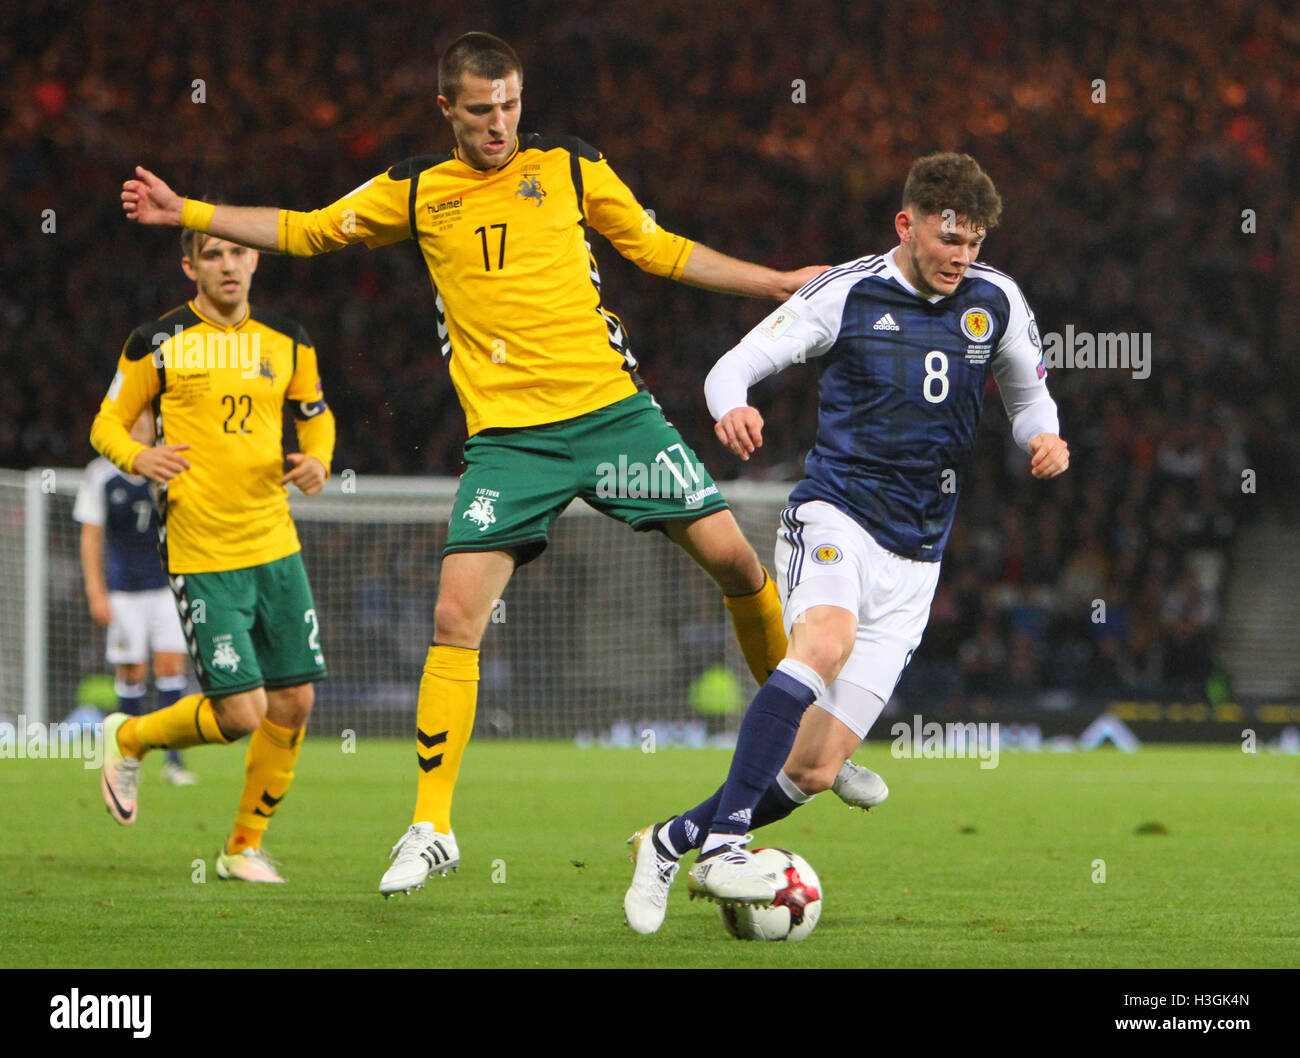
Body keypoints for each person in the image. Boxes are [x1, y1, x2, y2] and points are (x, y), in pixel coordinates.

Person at [121, 30, 852, 898]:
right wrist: (191, 213)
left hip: (614, 417)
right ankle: (431, 828)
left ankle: (796, 735)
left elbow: (658, 248)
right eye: (480, 109)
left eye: (509, 104)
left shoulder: (571, 167)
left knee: (736, 561)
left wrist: (772, 283)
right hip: (511, 443)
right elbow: (309, 231)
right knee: (455, 617)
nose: (499, 123)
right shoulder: (419, 190)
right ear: (447, 109)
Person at [624, 152, 1070, 932]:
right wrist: (732, 407)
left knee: (814, 769)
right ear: (908, 224)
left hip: (919, 554)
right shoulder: (848, 291)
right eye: (948, 239)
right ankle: (726, 845)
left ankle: (671, 840)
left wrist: (1046, 439)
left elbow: (1031, 398)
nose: (961, 257)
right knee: (824, 641)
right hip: (837, 516)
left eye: (973, 242)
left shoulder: (996, 300)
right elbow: (734, 365)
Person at [90, 224, 335, 884]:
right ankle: (129, 737)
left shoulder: (289, 338)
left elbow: (315, 413)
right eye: (213, 254)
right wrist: (139, 455)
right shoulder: (158, 341)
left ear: (255, 259)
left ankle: (241, 848)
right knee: (240, 714)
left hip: (276, 546)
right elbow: (105, 423)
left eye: (237, 252)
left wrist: (319, 459)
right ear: (189, 265)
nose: (228, 264)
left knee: (296, 703)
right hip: (202, 553)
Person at [75, 411, 197, 786]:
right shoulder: (101, 474)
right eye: (132, 426)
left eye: (145, 425)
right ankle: (128, 758)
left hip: (165, 588)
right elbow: (91, 536)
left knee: (171, 668)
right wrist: (96, 591)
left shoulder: (170, 470)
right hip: (123, 591)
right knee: (131, 671)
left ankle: (173, 762)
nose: (139, 432)